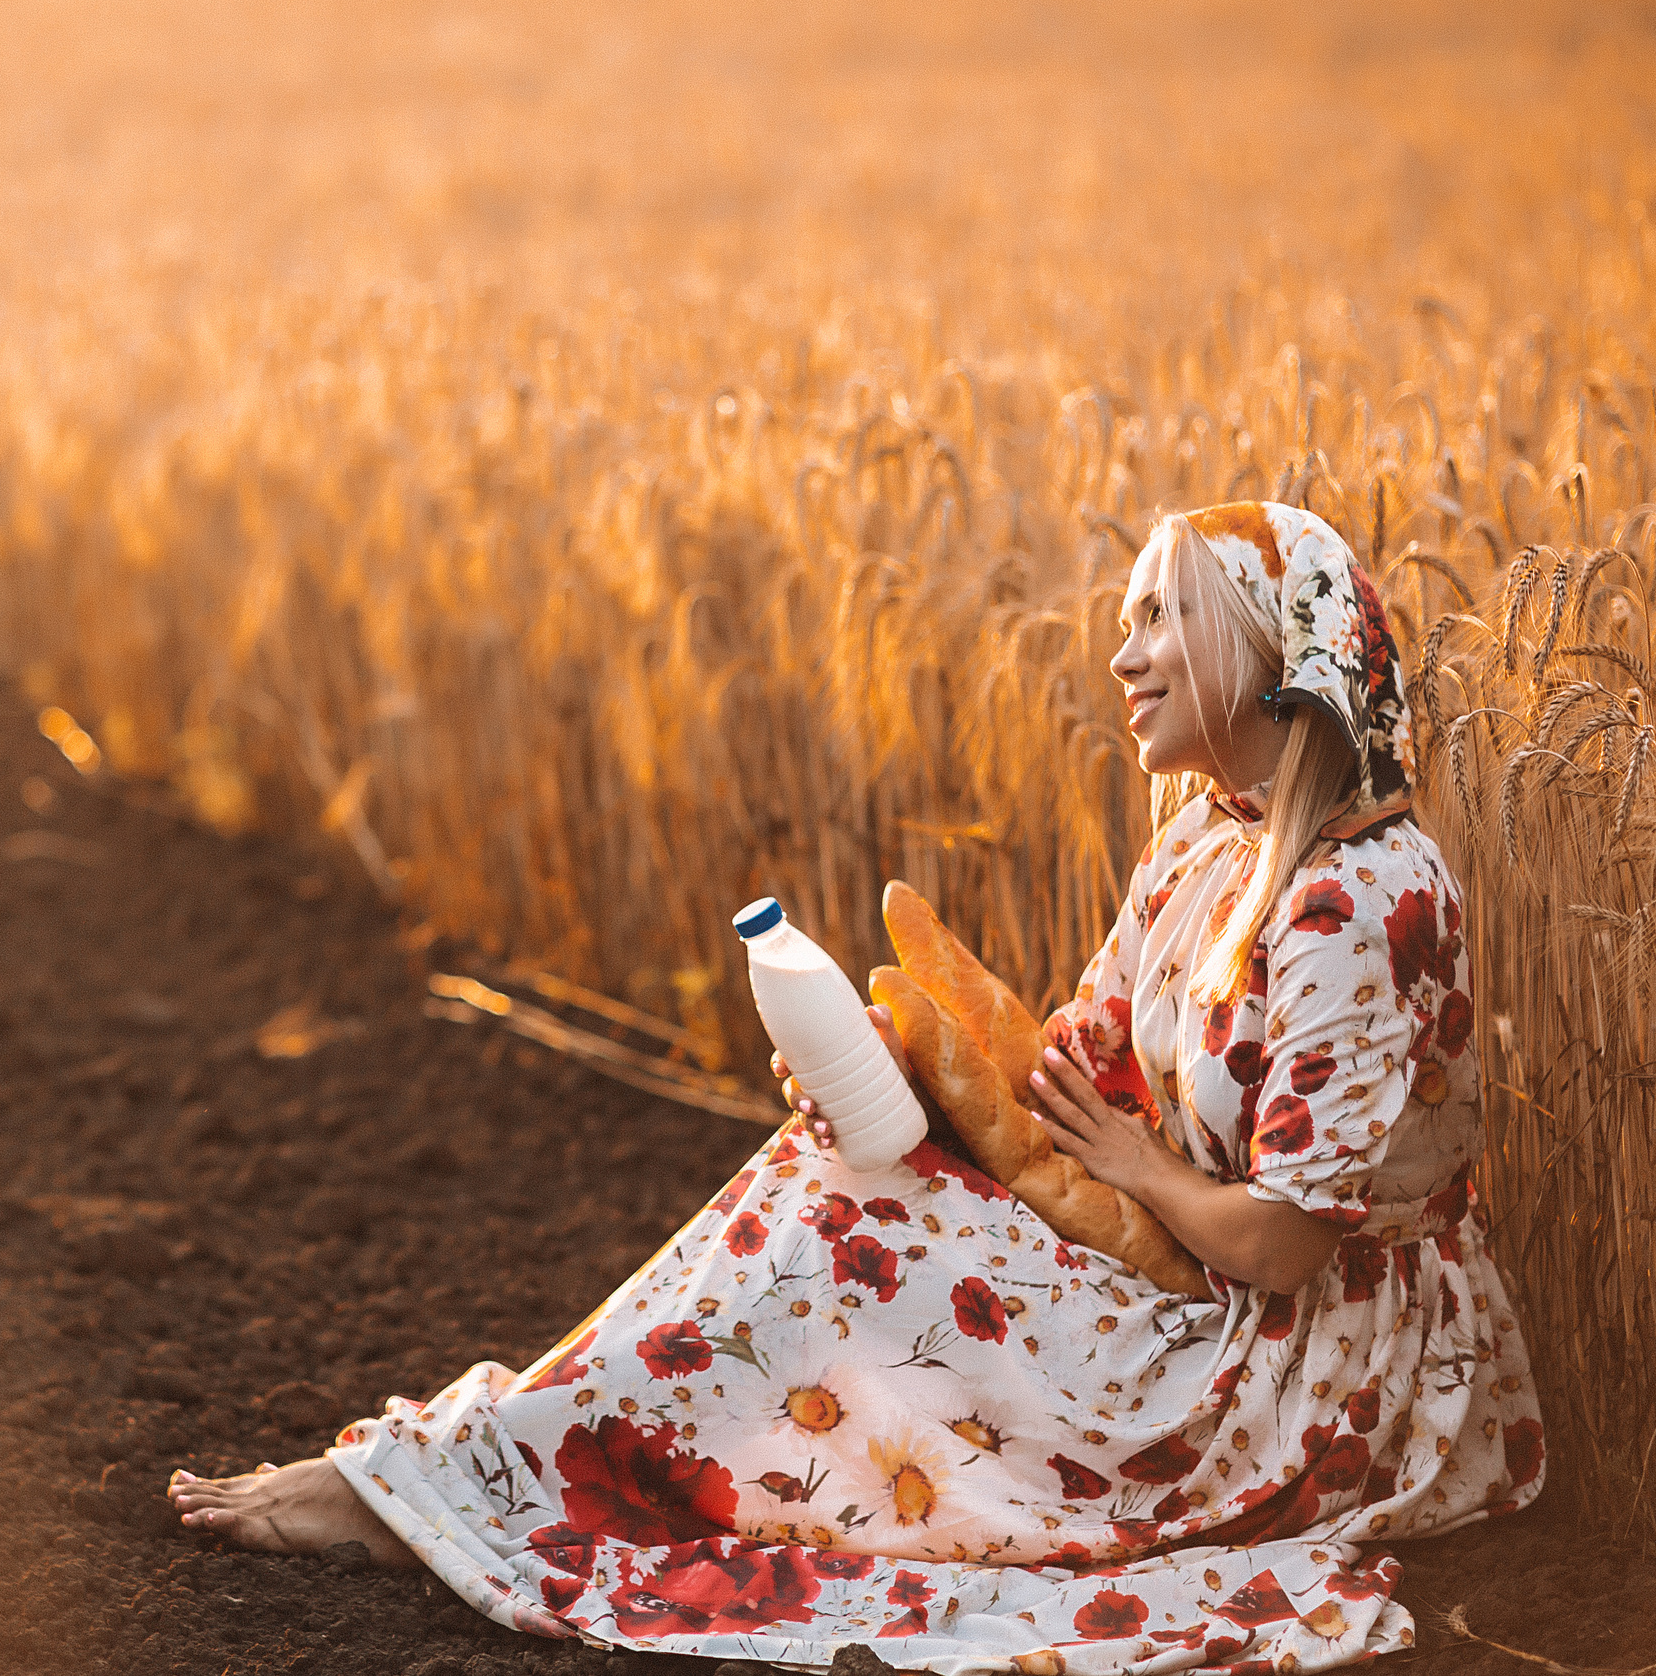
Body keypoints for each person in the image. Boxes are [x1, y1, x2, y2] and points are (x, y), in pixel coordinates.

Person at [169, 501, 1542, 1672]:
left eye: (1160, 619)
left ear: (1257, 645)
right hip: (1190, 1278)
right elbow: (1077, 1068)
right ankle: (491, 1466)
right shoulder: (1204, 845)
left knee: (853, 1233)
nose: (1122, 655)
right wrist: (899, 1081)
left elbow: (1293, 1246)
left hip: (1313, 1381)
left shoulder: (1363, 902)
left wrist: (1132, 1167)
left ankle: (483, 1477)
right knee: (842, 1173)